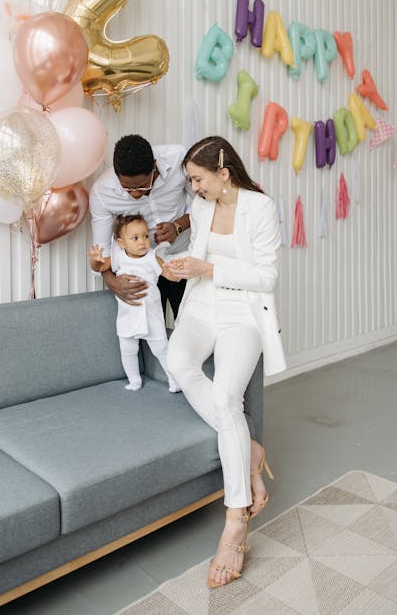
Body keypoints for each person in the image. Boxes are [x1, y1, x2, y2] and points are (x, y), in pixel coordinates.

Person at [164, 136, 286, 589]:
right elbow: (200, 256)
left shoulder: (259, 207)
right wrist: (178, 266)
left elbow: (266, 276)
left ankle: (236, 516)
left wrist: (210, 270)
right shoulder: (201, 207)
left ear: (223, 173)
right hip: (202, 305)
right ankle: (248, 450)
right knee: (179, 362)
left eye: (197, 179)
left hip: (243, 312)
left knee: (225, 395)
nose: (193, 188)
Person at [89, 134, 191, 319]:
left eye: (143, 186)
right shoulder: (102, 193)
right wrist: (114, 283)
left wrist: (178, 226)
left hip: (186, 258)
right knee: (148, 333)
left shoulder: (178, 159)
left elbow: (207, 206)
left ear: (154, 166)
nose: (135, 194)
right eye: (127, 188)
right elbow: (102, 253)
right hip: (144, 271)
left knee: (192, 327)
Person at [88, 213, 180, 393]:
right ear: (122, 243)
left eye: (146, 236)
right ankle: (134, 379)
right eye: (135, 238)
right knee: (128, 349)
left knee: (161, 348)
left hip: (152, 314)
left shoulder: (153, 257)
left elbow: (169, 275)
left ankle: (174, 379)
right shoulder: (118, 258)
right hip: (128, 315)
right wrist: (94, 259)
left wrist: (176, 270)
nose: (142, 242)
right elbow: (99, 267)